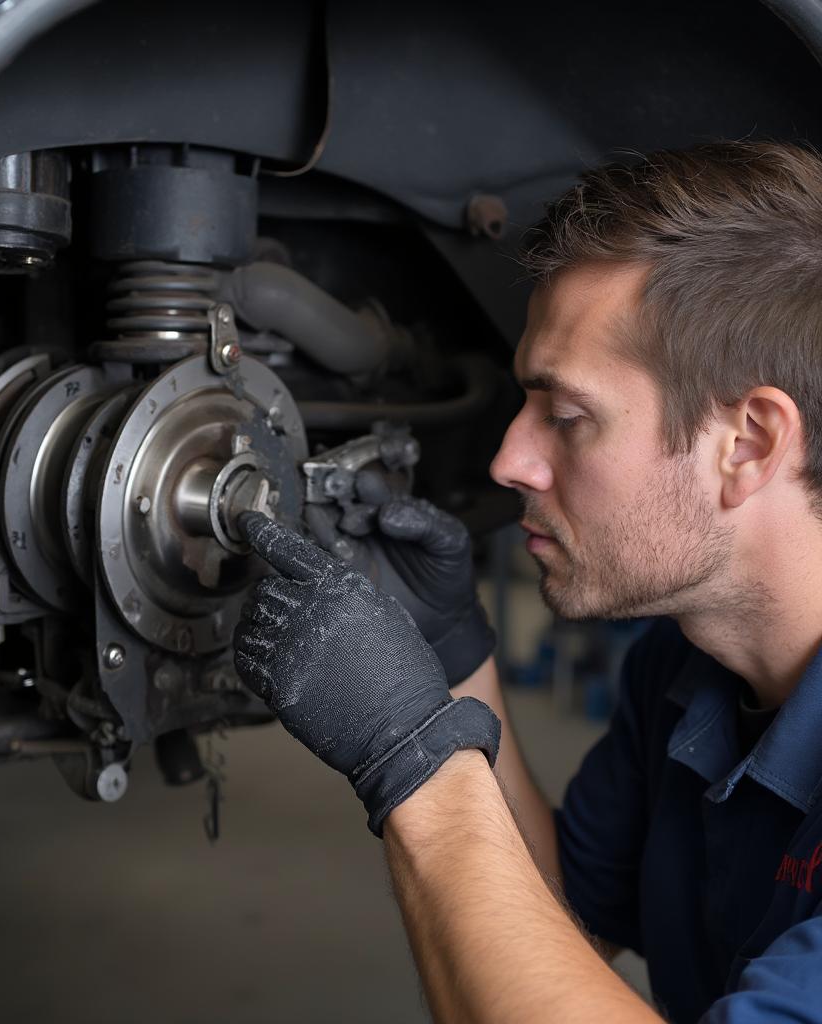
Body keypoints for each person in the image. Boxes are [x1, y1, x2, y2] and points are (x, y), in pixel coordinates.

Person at [233, 141, 822, 1023]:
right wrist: (451, 652)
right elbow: (557, 929)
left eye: (569, 416)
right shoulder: (688, 669)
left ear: (747, 444)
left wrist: (412, 760)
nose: (509, 460)